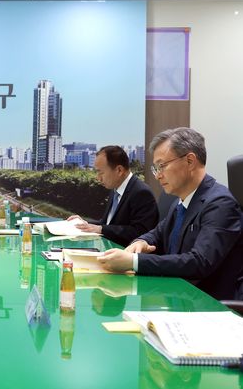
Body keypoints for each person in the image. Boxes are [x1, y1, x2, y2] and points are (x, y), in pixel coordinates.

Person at [98, 127, 243, 300]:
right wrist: (141, 241)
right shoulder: (180, 202)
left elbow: (199, 262)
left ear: (190, 161)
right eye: (156, 168)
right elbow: (158, 233)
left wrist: (134, 262)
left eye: (162, 166)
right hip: (179, 296)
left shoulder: (220, 204)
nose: (158, 175)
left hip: (207, 304)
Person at [68, 145, 158, 246]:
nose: (98, 178)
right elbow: (107, 223)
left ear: (119, 170)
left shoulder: (141, 193)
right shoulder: (116, 188)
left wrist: (101, 229)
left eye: (101, 173)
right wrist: (85, 224)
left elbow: (141, 232)